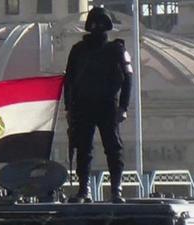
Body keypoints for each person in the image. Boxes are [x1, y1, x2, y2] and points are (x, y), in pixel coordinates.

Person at [64, 6, 132, 203]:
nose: (97, 29)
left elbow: (128, 79)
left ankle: (116, 191)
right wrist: (69, 108)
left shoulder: (116, 49)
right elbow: (69, 80)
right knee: (83, 149)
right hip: (83, 105)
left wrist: (123, 107)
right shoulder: (78, 51)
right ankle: (84, 190)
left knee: (113, 148)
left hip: (107, 105)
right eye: (94, 25)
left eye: (101, 25)